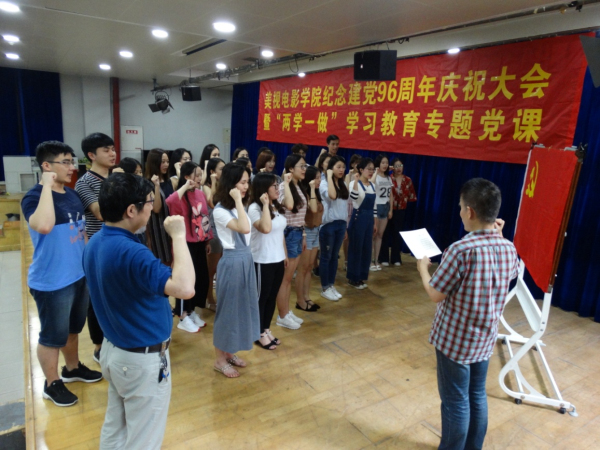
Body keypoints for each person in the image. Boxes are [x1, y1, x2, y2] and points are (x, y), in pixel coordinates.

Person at [83, 173, 195, 449]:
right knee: (144, 439)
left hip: (115, 351)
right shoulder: (131, 252)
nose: (151, 207)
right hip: (138, 360)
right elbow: (185, 288)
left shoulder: (95, 241)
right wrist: (179, 236)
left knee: (116, 426)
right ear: (131, 210)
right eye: (148, 202)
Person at [417, 178, 519, 450]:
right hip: (485, 338)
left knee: (455, 402)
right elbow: (510, 274)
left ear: (470, 211)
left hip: (455, 342)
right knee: (477, 395)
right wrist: (499, 237)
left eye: (461, 207)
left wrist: (423, 269)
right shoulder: (508, 247)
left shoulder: (460, 250)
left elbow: (435, 293)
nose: (460, 212)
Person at [22, 141, 102, 407]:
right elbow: (44, 225)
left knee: (72, 329)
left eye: (72, 161)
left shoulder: (72, 194)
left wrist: (90, 263)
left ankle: (72, 368)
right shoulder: (33, 197)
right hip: (51, 281)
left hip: (78, 275)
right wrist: (46, 185)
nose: (72, 167)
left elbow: (81, 232)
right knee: (51, 336)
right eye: (65, 162)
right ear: (46, 166)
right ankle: (51, 383)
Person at [212, 163, 260, 378]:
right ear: (231, 184)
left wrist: (239, 202)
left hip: (246, 259)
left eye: (247, 182)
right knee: (227, 311)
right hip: (232, 262)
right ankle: (219, 359)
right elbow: (244, 227)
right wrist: (239, 201)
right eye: (242, 182)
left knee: (240, 309)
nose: (246, 186)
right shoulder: (219, 210)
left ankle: (229, 351)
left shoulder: (236, 206)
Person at [75, 132, 116, 363]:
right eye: (106, 150)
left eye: (113, 149)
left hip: (120, 243)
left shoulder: (116, 177)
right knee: (96, 298)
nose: (112, 153)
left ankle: (115, 336)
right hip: (97, 245)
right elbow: (101, 212)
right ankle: (99, 346)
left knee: (117, 293)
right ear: (91, 155)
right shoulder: (85, 182)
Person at [166, 162, 213, 333]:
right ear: (186, 177)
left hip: (199, 242)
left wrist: (207, 241)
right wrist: (185, 186)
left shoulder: (200, 193)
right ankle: (182, 315)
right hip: (185, 244)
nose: (199, 178)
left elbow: (204, 218)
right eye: (196, 175)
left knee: (200, 278)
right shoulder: (180, 194)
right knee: (185, 279)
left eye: (201, 174)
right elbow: (170, 201)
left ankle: (191, 311)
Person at [275, 154, 317, 330]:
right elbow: (289, 207)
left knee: (288, 278)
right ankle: (282, 315)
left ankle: (287, 311)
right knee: (285, 279)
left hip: (298, 232)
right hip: (288, 233)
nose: (304, 169)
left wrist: (304, 235)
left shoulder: (299, 186)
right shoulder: (283, 187)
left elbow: (302, 215)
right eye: (301, 166)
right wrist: (286, 183)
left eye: (305, 166)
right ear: (291, 169)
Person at [248, 173, 287, 349]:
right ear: (264, 189)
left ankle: (266, 329)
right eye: (274, 186)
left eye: (278, 185)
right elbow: (265, 228)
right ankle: (258, 333)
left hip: (278, 259)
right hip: (262, 260)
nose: (278, 189)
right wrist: (265, 204)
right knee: (261, 298)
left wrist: (285, 255)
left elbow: (280, 233)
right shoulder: (254, 208)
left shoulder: (276, 206)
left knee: (272, 296)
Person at [318, 155, 349, 301]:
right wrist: (329, 177)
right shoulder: (324, 183)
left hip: (341, 224)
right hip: (328, 225)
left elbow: (345, 207)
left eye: (343, 167)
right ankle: (325, 287)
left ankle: (331, 285)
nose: (341, 170)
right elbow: (332, 195)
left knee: (335, 256)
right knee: (326, 256)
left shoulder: (343, 185)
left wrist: (346, 226)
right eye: (338, 167)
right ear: (331, 169)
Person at [380, 157, 417, 266]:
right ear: (392, 167)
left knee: (397, 234)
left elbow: (412, 196)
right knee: (385, 233)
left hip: (401, 210)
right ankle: (384, 258)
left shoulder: (408, 180)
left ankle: (396, 258)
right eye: (396, 166)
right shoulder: (388, 178)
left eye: (400, 165)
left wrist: (403, 199)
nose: (398, 168)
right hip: (387, 209)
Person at [295, 165, 323, 312]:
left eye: (320, 178)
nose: (319, 181)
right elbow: (313, 209)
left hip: (316, 230)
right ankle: (300, 300)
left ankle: (307, 297)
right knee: (303, 268)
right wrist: (312, 189)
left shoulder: (316, 193)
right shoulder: (305, 193)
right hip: (307, 232)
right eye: (316, 178)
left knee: (310, 267)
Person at [347, 158, 377, 289]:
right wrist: (355, 181)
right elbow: (353, 198)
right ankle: (353, 278)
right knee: (356, 248)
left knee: (366, 248)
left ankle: (362, 276)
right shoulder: (353, 183)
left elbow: (374, 206)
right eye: (368, 169)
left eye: (373, 169)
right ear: (361, 170)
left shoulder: (372, 185)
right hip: (358, 218)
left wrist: (374, 223)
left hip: (369, 219)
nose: (371, 172)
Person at [203, 157, 226, 310]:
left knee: (221, 269)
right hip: (213, 232)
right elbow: (212, 202)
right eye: (220, 169)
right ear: (212, 171)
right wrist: (212, 180)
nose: (223, 171)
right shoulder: (206, 187)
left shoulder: (224, 186)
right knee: (211, 270)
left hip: (224, 231)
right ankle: (209, 298)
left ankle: (219, 297)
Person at [145, 149, 173, 265]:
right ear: (155, 163)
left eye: (167, 161)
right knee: (163, 263)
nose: (166, 164)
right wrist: (156, 186)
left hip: (171, 227)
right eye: (163, 162)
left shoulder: (169, 181)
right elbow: (156, 208)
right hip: (158, 229)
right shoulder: (148, 184)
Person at [114, 158, 148, 246]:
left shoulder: (142, 188)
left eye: (140, 172)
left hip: (141, 232)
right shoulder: (122, 191)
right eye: (135, 173)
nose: (139, 175)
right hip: (128, 233)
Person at [371, 154, 393, 271]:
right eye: (383, 162)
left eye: (386, 163)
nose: (385, 165)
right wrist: (375, 171)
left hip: (385, 207)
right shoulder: (375, 176)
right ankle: (369, 261)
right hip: (376, 206)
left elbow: (391, 194)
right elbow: (371, 184)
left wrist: (391, 209)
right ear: (378, 164)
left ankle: (376, 260)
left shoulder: (388, 177)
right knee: (373, 235)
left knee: (380, 235)